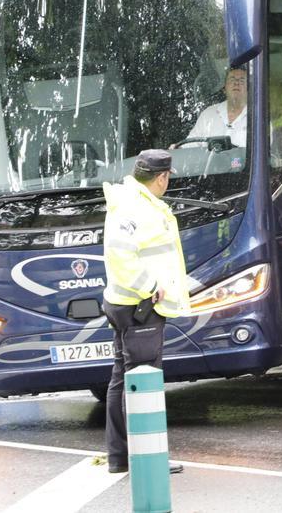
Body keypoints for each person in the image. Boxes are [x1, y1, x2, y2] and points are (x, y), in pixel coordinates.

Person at [102, 149, 190, 474]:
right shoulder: (136, 206)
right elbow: (121, 256)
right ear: (162, 177)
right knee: (143, 382)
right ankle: (147, 457)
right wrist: (151, 287)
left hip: (125, 302)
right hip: (140, 306)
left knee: (122, 380)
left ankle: (120, 456)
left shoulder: (133, 199)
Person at [184, 66, 247, 148]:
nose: (236, 83)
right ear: (224, 88)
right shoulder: (209, 114)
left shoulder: (258, 118)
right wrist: (178, 149)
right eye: (232, 79)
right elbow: (191, 145)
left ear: (249, 88)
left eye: (242, 81)